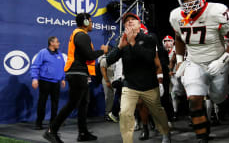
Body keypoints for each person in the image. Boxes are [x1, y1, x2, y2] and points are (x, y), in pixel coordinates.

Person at [169, 0, 229, 142]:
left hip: (217, 60)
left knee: (217, 98)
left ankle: (228, 106)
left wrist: (222, 61)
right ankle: (203, 136)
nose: (188, 2)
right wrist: (180, 60)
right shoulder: (176, 15)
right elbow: (179, 38)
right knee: (194, 100)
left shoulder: (216, 11)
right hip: (194, 62)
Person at [101, 12, 171, 143]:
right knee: (125, 113)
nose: (130, 22)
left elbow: (149, 58)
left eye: (133, 19)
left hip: (149, 84)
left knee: (157, 111)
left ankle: (165, 133)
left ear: (140, 24)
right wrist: (120, 47)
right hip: (130, 84)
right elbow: (108, 60)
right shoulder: (123, 41)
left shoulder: (150, 38)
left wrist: (132, 42)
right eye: (127, 21)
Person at [43, 13, 108, 143]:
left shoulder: (81, 35)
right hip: (77, 73)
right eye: (90, 21)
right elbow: (89, 55)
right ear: (84, 23)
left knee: (83, 103)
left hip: (81, 73)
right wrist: (103, 51)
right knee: (73, 103)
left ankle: (83, 133)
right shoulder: (81, 35)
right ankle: (51, 131)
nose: (92, 23)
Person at [31, 36, 66, 130]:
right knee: (42, 102)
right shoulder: (43, 52)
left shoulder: (60, 54)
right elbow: (35, 66)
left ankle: (53, 123)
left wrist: (63, 78)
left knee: (55, 103)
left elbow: (62, 67)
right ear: (51, 43)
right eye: (57, 42)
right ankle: (39, 123)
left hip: (56, 83)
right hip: (44, 81)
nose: (59, 43)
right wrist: (35, 78)